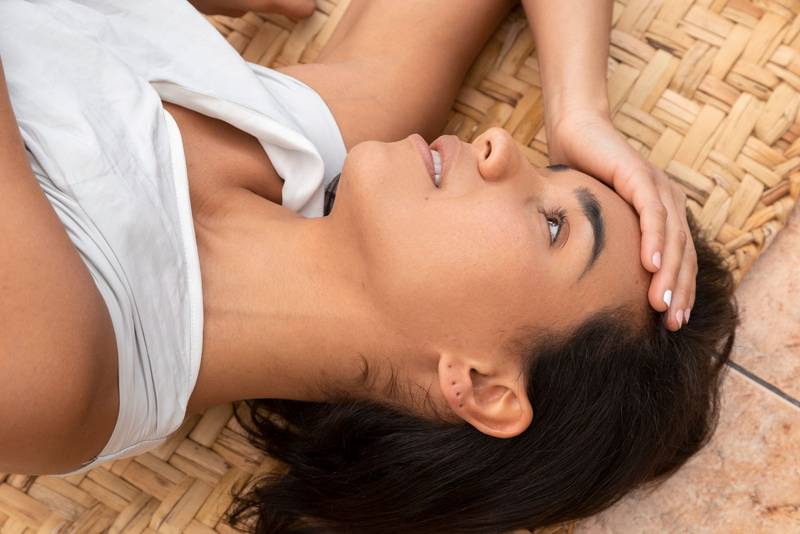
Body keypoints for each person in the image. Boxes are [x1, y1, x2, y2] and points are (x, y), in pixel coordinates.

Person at [0, 0, 736, 532]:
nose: (499, 147)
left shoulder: (57, 374)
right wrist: (580, 111)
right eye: (548, 167)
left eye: (552, 225)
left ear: (477, 383)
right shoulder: (314, 136)